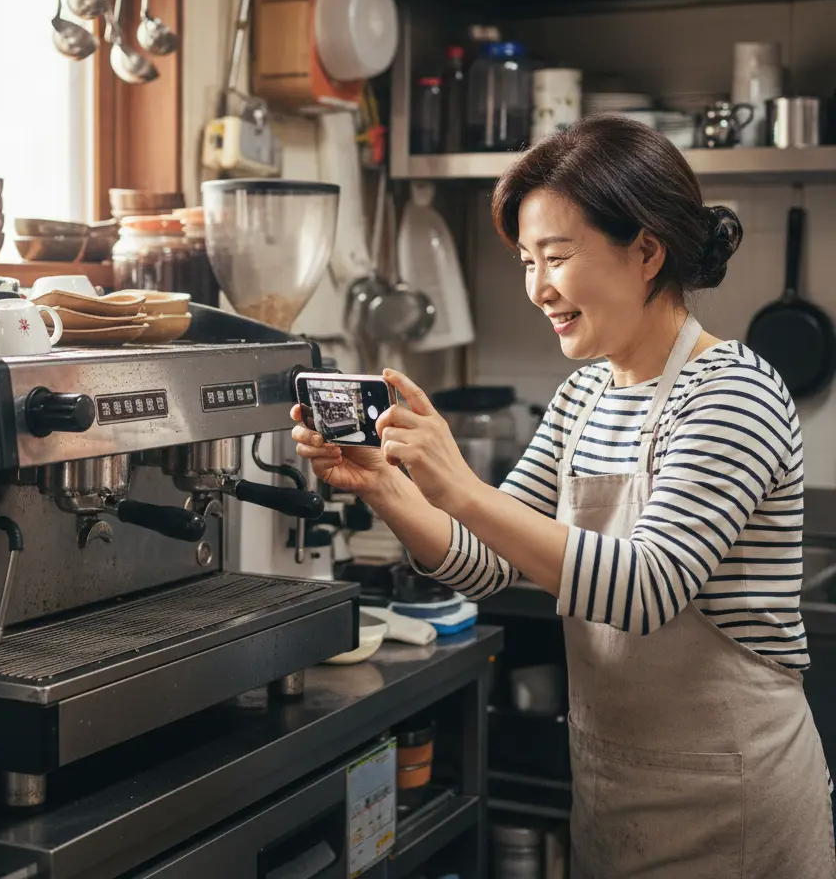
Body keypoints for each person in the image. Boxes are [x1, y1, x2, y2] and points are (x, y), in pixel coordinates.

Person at [291, 116, 836, 878]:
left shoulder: (733, 391)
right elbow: (486, 566)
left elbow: (645, 589)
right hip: (616, 784)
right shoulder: (583, 395)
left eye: (556, 256)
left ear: (646, 251)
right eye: (525, 260)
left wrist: (459, 484)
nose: (537, 287)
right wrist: (387, 487)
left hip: (732, 793)